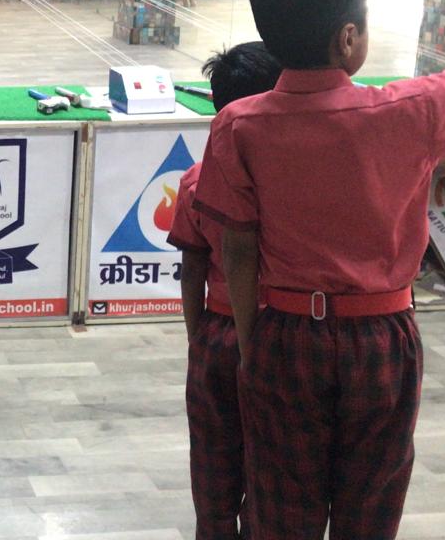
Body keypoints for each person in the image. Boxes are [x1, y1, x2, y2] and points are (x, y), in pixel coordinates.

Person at [192, 0, 445, 539]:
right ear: (348, 38)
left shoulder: (239, 124)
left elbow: (238, 249)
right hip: (381, 337)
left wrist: (254, 348)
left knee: (282, 511)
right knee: (371, 507)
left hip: (284, 335)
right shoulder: (411, 111)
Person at [166, 41, 281, 540]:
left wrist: (200, 338)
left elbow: (192, 269)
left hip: (218, 333)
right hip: (280, 331)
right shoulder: (293, 181)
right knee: (272, 470)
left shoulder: (197, 179)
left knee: (213, 463)